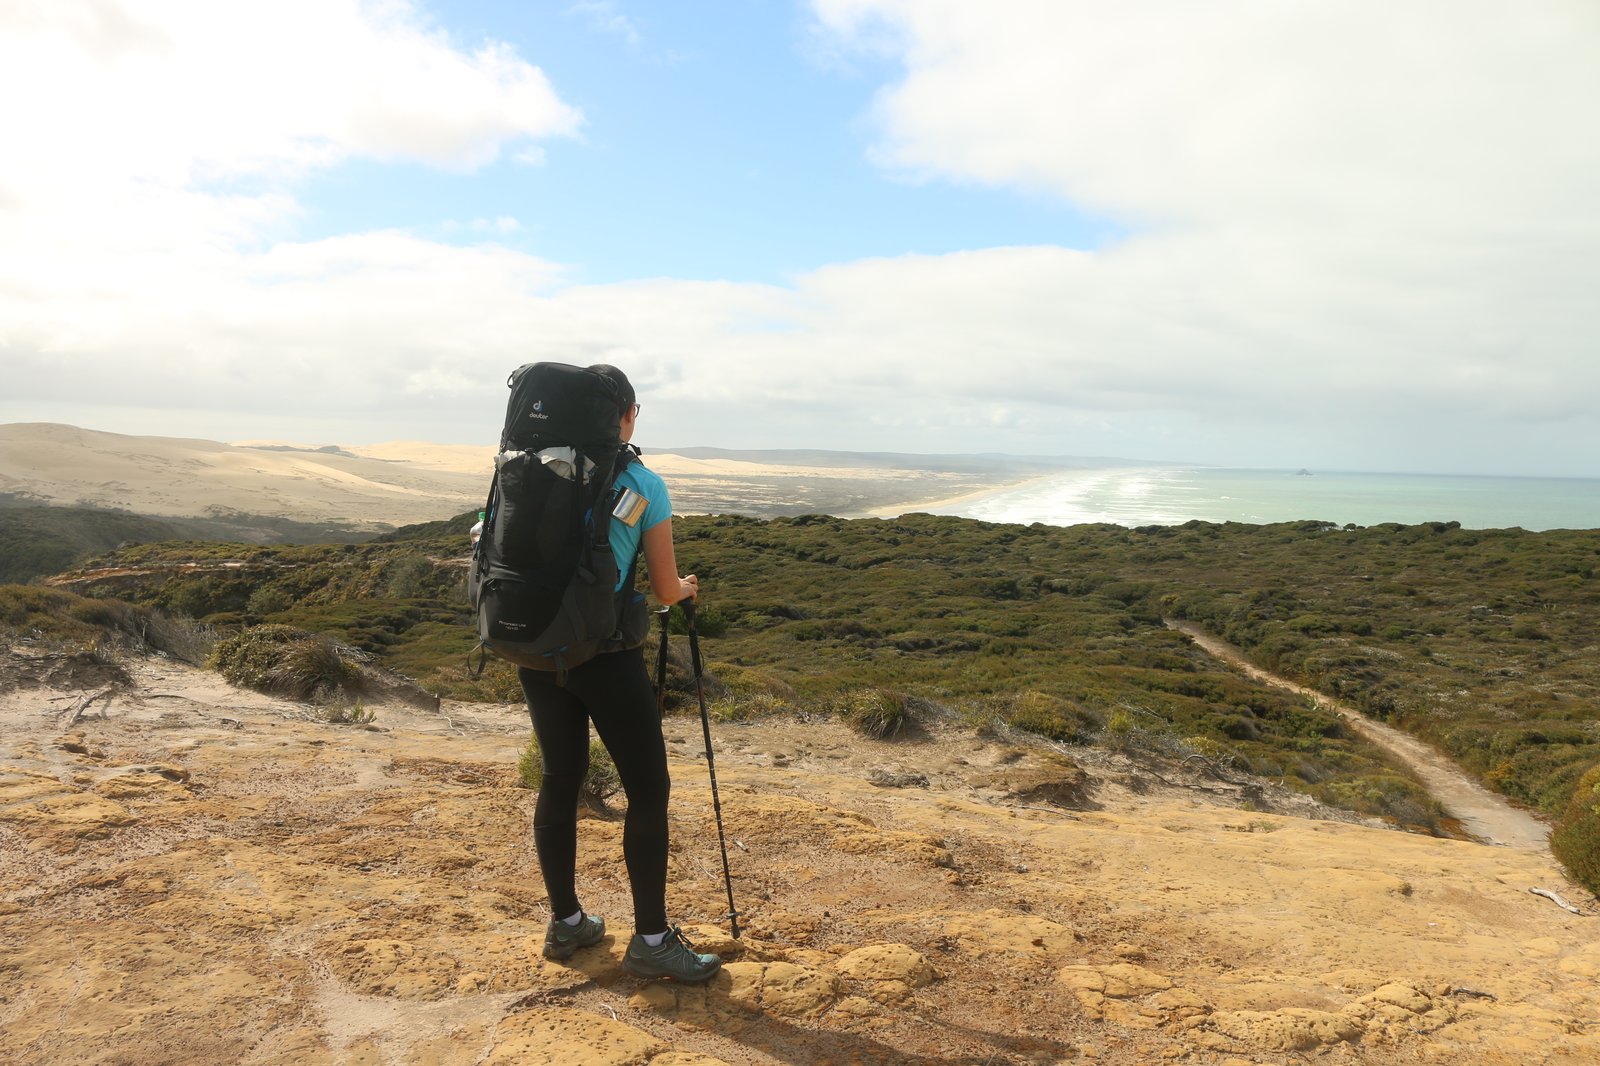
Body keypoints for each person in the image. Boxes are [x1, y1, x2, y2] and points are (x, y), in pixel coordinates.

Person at [518, 364, 722, 984]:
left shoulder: (525, 471)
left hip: (536, 650)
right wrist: (683, 588)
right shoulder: (642, 483)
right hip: (605, 657)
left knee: (560, 778)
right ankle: (653, 940)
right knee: (648, 790)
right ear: (625, 416)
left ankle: (566, 921)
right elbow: (663, 589)